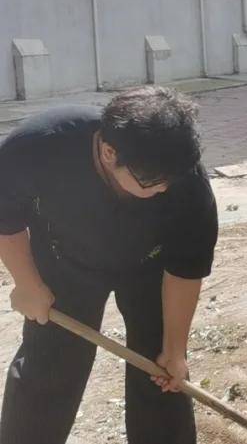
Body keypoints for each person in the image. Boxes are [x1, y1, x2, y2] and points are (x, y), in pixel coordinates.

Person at [0, 88, 218, 444]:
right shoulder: (39, 145)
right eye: (152, 182)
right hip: (64, 259)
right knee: (50, 362)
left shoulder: (186, 182)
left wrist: (175, 350)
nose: (164, 190)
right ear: (108, 151)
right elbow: (5, 218)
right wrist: (27, 284)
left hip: (150, 265)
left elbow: (185, 268)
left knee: (161, 372)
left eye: (170, 181)